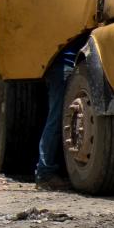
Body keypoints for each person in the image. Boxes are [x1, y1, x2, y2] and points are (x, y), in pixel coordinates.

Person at [34, 47, 76, 190]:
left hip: (59, 68)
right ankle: (45, 172)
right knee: (57, 121)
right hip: (65, 68)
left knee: (58, 120)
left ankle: (47, 171)